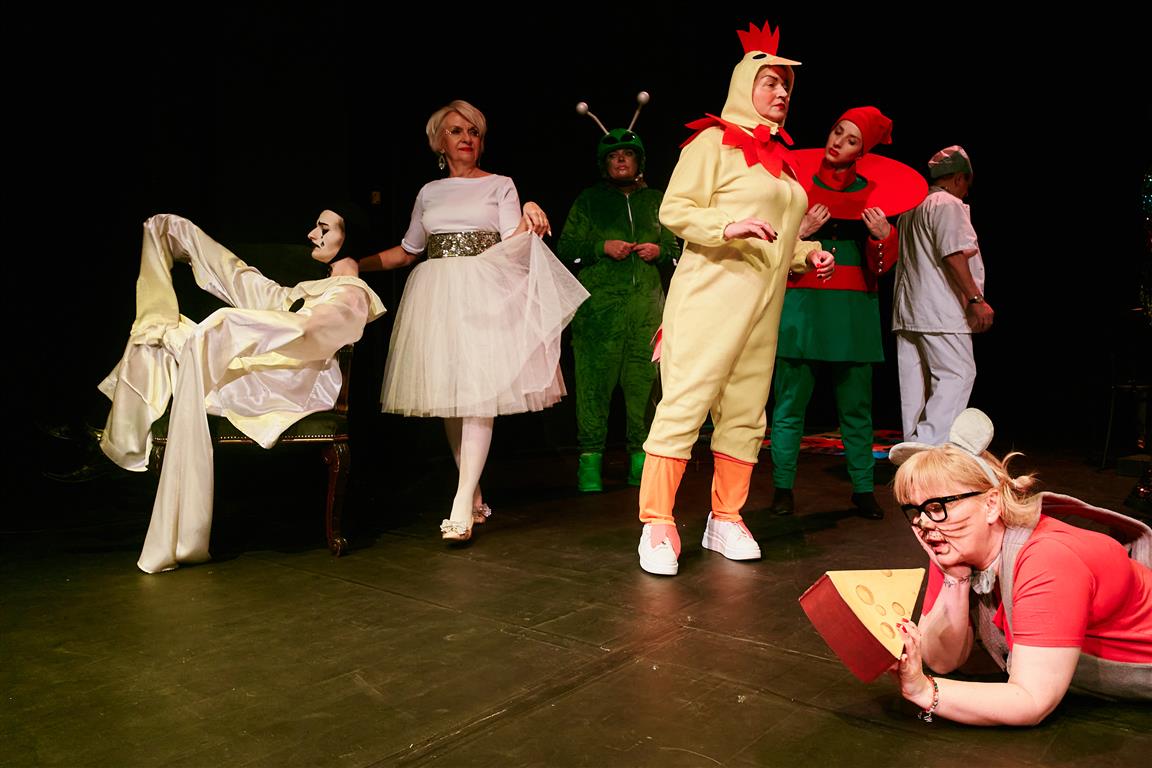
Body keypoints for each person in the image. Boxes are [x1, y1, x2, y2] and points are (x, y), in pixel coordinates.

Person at [636, 21, 835, 576]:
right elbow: (674, 210)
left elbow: (780, 234)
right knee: (685, 405)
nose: (781, 93)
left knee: (746, 414)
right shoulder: (712, 142)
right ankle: (657, 522)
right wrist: (727, 226)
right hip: (710, 300)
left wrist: (807, 254)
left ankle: (725, 516)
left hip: (762, 310)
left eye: (786, 86)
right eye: (770, 82)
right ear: (744, 86)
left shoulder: (785, 162)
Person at [98, 204, 388, 573]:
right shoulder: (312, 289)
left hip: (286, 387)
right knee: (158, 330)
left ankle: (114, 443)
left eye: (324, 228)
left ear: (350, 239)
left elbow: (308, 329)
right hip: (266, 374)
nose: (312, 235)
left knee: (171, 336)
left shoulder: (351, 294)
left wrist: (231, 324)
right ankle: (113, 440)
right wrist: (181, 233)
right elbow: (243, 280)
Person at [360, 99, 589, 543]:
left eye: (474, 132)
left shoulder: (500, 185)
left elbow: (514, 244)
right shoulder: (429, 192)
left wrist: (530, 210)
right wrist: (357, 263)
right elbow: (407, 251)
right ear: (438, 142)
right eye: (456, 131)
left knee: (479, 396)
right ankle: (475, 492)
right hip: (437, 295)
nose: (466, 138)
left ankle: (461, 501)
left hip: (485, 291)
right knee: (453, 395)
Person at [888, 408, 1152, 725]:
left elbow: (1031, 700)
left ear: (991, 504)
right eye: (915, 510)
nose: (924, 523)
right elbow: (942, 661)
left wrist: (922, 690)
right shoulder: (954, 548)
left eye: (937, 506)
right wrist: (954, 581)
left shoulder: (1047, 559)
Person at [769, 106, 926, 520]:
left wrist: (883, 236)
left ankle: (862, 490)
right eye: (838, 131)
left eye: (851, 139)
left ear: (862, 151)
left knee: (856, 411)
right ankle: (782, 488)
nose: (838, 142)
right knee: (788, 407)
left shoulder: (874, 198)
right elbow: (771, 251)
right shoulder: (795, 188)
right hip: (802, 308)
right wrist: (800, 231)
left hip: (854, 313)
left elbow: (880, 267)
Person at [557, 92, 679, 492]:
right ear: (604, 164)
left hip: (646, 312)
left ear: (639, 161)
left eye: (628, 155)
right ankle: (589, 466)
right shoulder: (590, 201)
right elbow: (566, 249)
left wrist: (661, 251)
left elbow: (679, 247)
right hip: (598, 315)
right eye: (614, 156)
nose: (621, 161)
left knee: (644, 390)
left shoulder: (657, 202)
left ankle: (640, 464)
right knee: (593, 390)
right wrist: (600, 247)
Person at [891, 145, 994, 445]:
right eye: (966, 184)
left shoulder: (911, 209)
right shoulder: (946, 204)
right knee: (958, 374)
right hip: (941, 311)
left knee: (916, 388)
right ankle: (928, 449)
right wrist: (975, 300)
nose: (966, 192)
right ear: (959, 178)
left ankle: (913, 450)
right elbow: (952, 254)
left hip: (909, 311)